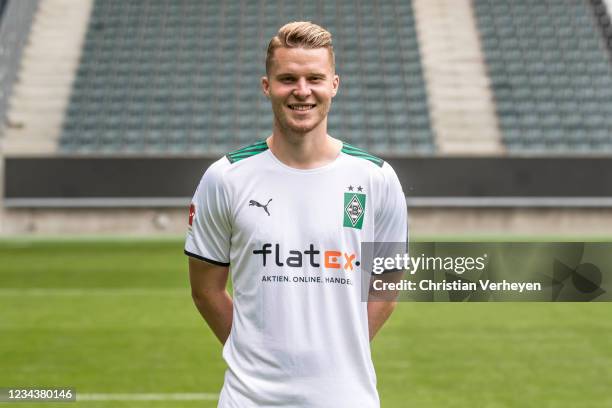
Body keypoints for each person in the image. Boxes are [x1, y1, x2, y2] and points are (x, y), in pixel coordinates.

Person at [185, 21, 408, 407]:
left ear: (334, 85)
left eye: (314, 78)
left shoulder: (377, 179)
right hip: (249, 399)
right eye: (288, 78)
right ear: (267, 85)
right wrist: (255, 355)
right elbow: (206, 290)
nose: (302, 91)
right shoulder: (226, 178)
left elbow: (386, 286)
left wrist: (341, 353)